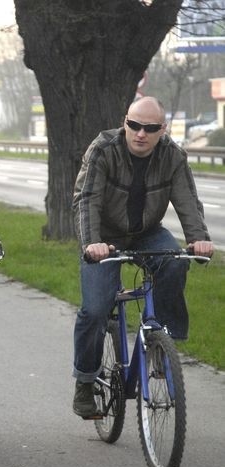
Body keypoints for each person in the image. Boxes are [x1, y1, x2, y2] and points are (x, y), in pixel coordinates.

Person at [71, 96, 214, 419]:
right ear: (125, 122)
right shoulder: (103, 150)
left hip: (147, 230)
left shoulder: (173, 155)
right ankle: (85, 381)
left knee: (175, 262)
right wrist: (92, 243)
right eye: (134, 125)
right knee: (94, 310)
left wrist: (199, 240)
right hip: (103, 236)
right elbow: (86, 199)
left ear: (162, 130)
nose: (140, 134)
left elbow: (188, 202)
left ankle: (164, 348)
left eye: (150, 128)